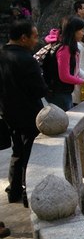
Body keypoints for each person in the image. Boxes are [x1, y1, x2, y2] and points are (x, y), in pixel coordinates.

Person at [0, 19, 47, 206]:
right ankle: (29, 194)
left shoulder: (2, 55)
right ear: (23, 38)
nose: (36, 41)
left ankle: (14, 191)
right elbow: (40, 90)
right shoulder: (27, 60)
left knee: (17, 151)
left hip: (7, 114)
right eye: (34, 36)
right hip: (29, 114)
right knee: (29, 154)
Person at [46, 17, 84, 111]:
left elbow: (75, 70)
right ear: (73, 31)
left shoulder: (71, 47)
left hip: (65, 92)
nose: (83, 33)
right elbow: (64, 76)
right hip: (59, 93)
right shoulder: (64, 49)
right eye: (82, 30)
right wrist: (83, 82)